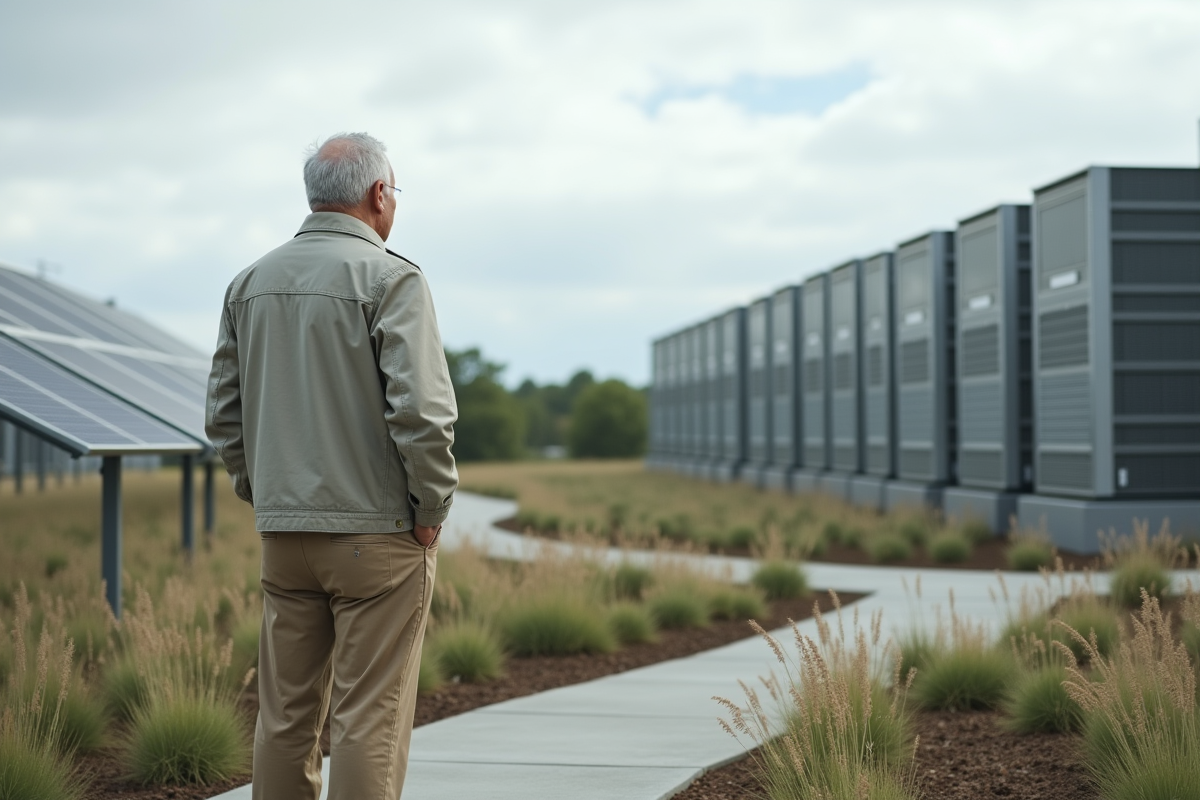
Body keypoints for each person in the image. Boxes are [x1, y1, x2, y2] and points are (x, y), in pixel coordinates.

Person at [205, 131, 458, 800]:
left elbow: (224, 416)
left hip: (283, 539)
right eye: (394, 191)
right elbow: (424, 414)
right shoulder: (393, 279)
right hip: (377, 537)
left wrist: (263, 494)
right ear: (379, 195)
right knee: (368, 715)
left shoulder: (249, 282)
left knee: (284, 717)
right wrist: (430, 510)